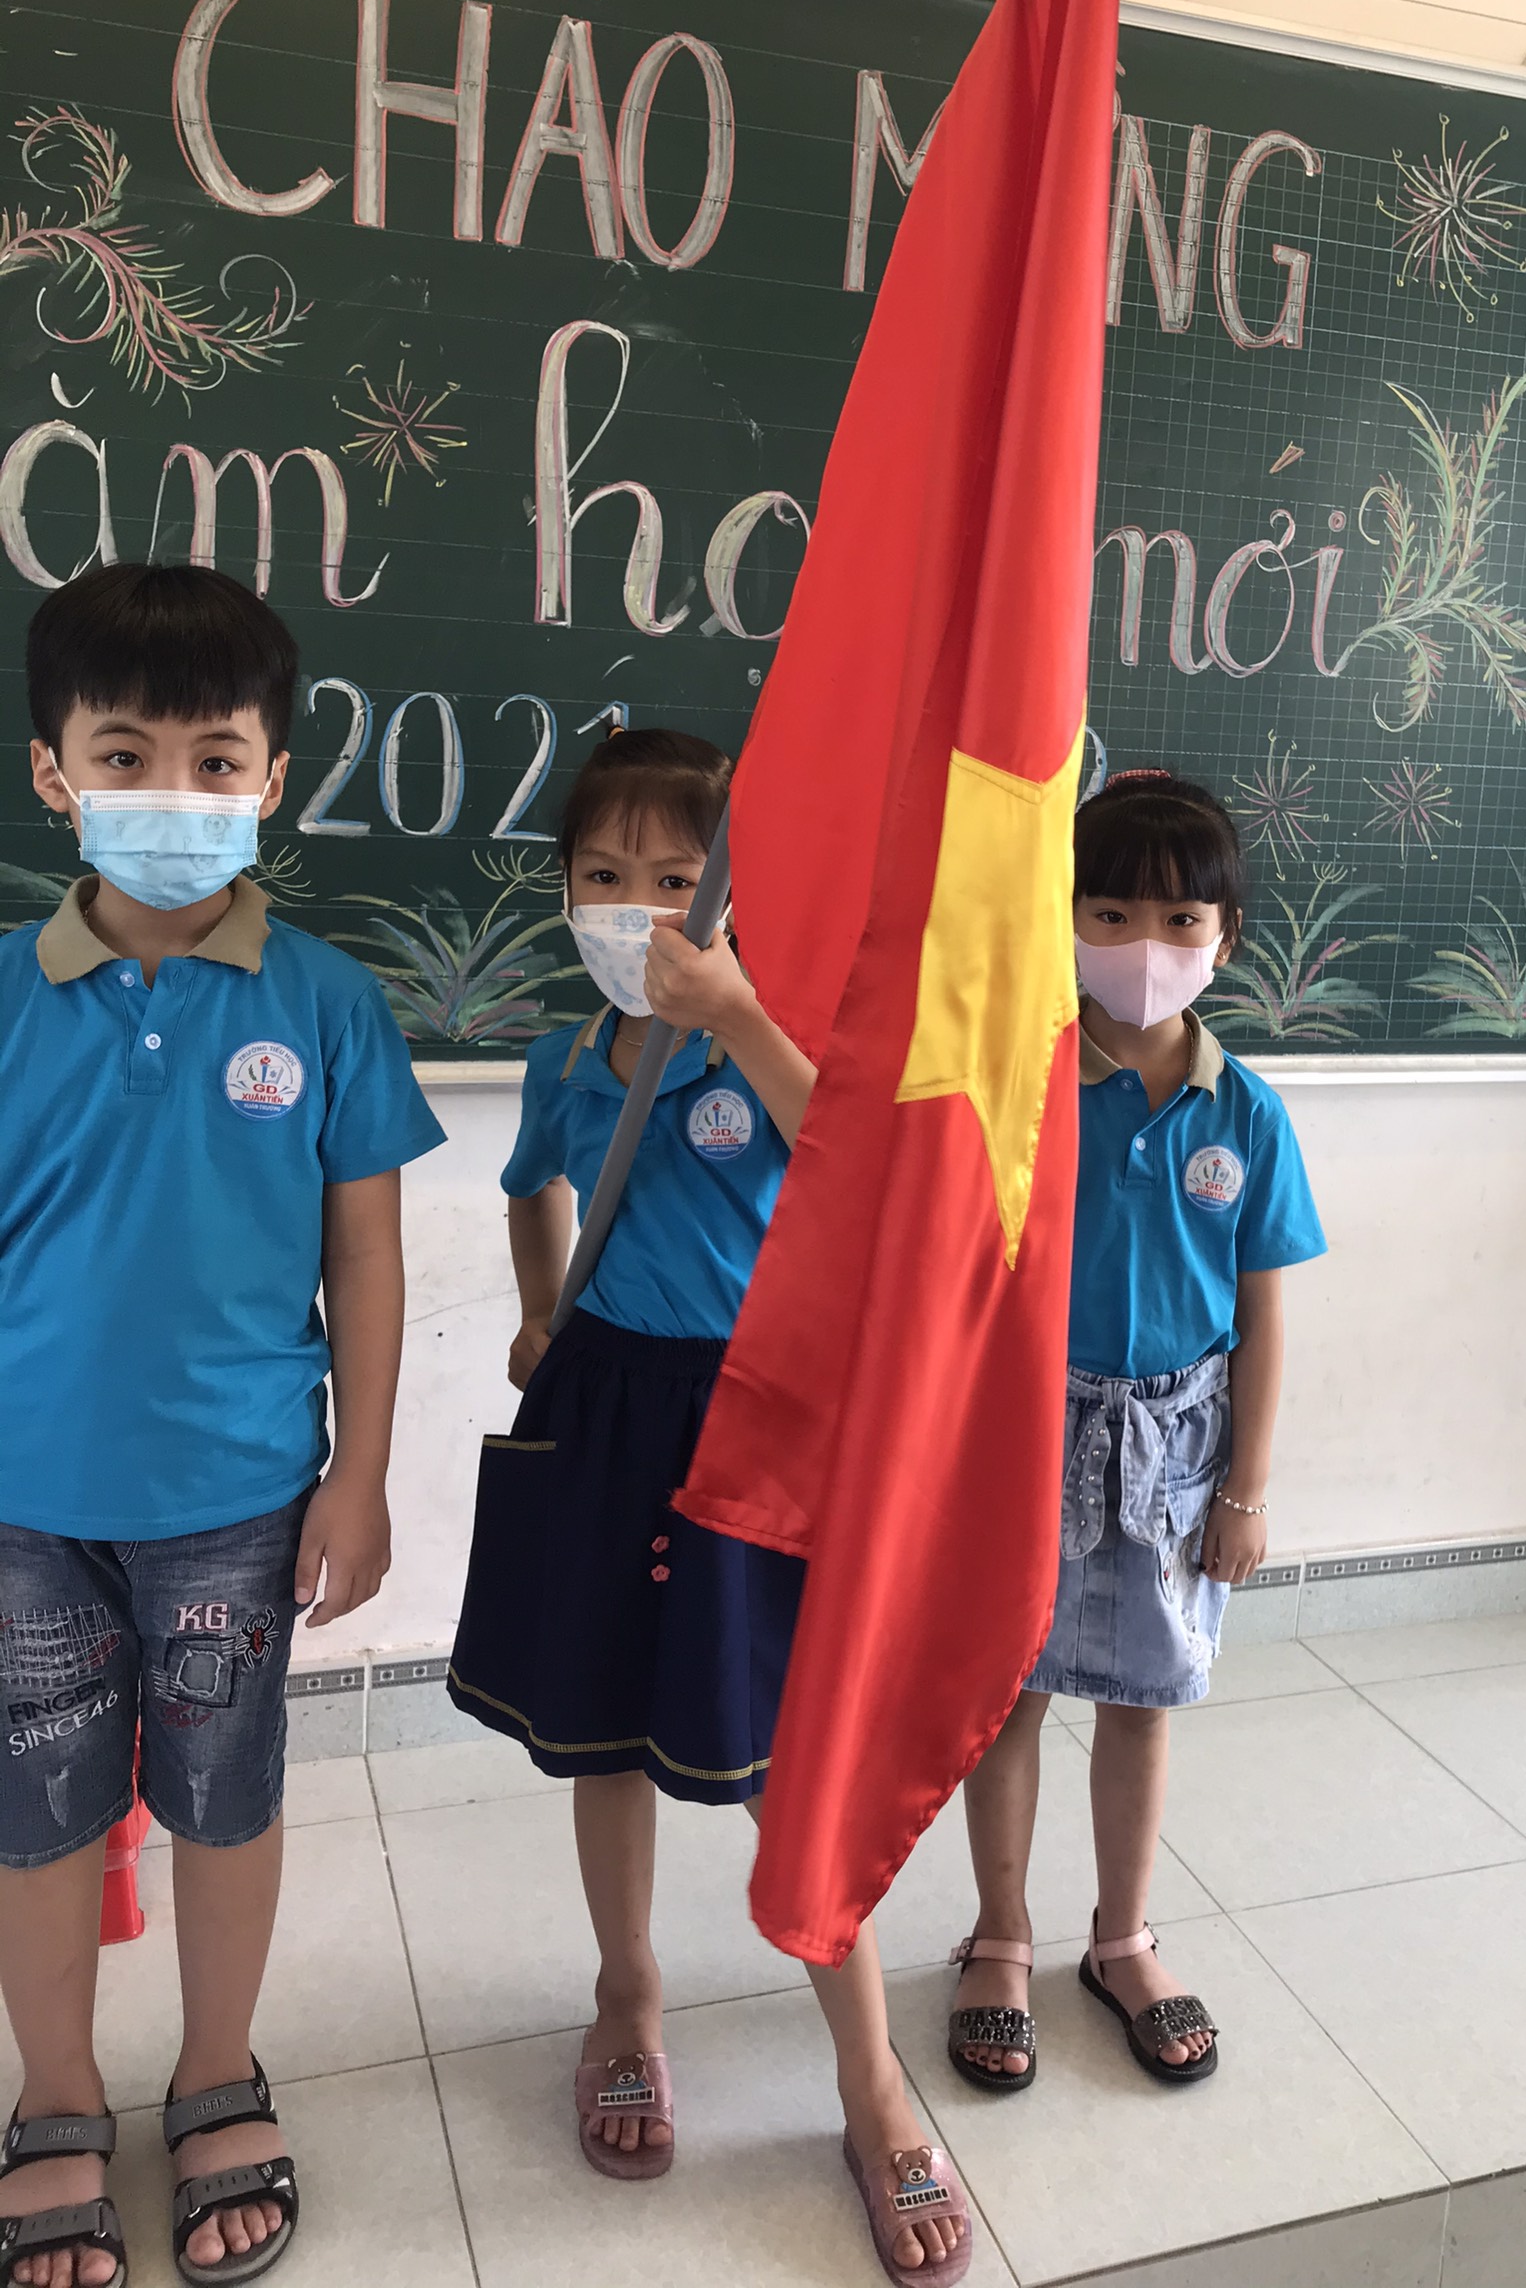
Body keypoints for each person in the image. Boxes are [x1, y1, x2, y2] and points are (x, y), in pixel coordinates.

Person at [447, 727, 970, 2282]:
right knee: (604, 1724)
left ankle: (869, 2078)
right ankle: (627, 1995)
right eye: (604, 876)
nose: (640, 909)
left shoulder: (767, 1038)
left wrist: (737, 1010)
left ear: (734, 900)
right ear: (564, 892)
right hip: (605, 1407)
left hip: (758, 1424)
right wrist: (540, 1310)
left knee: (785, 1755)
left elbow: (856, 1172)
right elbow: (530, 1188)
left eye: (678, 880)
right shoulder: (561, 1061)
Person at [0, 564, 445, 2288]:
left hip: (239, 1499)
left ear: (272, 779)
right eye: (126, 755)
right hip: (26, 1502)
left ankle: (214, 2073)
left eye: (215, 762)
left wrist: (362, 1475)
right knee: (38, 1816)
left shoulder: (325, 1001)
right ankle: (53, 2094)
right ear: (54, 773)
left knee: (225, 1802)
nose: (172, 795)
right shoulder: (6, 994)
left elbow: (365, 1256)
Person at [948, 770, 1324, 2093]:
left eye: (1178, 921)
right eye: (1108, 914)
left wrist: (1246, 1490)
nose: (1144, 948)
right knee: (1011, 1690)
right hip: (1025, 1432)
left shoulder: (1246, 1113)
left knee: (1144, 1700)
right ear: (1063, 916)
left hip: (1180, 1450)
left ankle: (1121, 1939)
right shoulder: (1018, 1081)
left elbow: (1262, 1315)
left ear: (1227, 935)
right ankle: (1000, 1936)